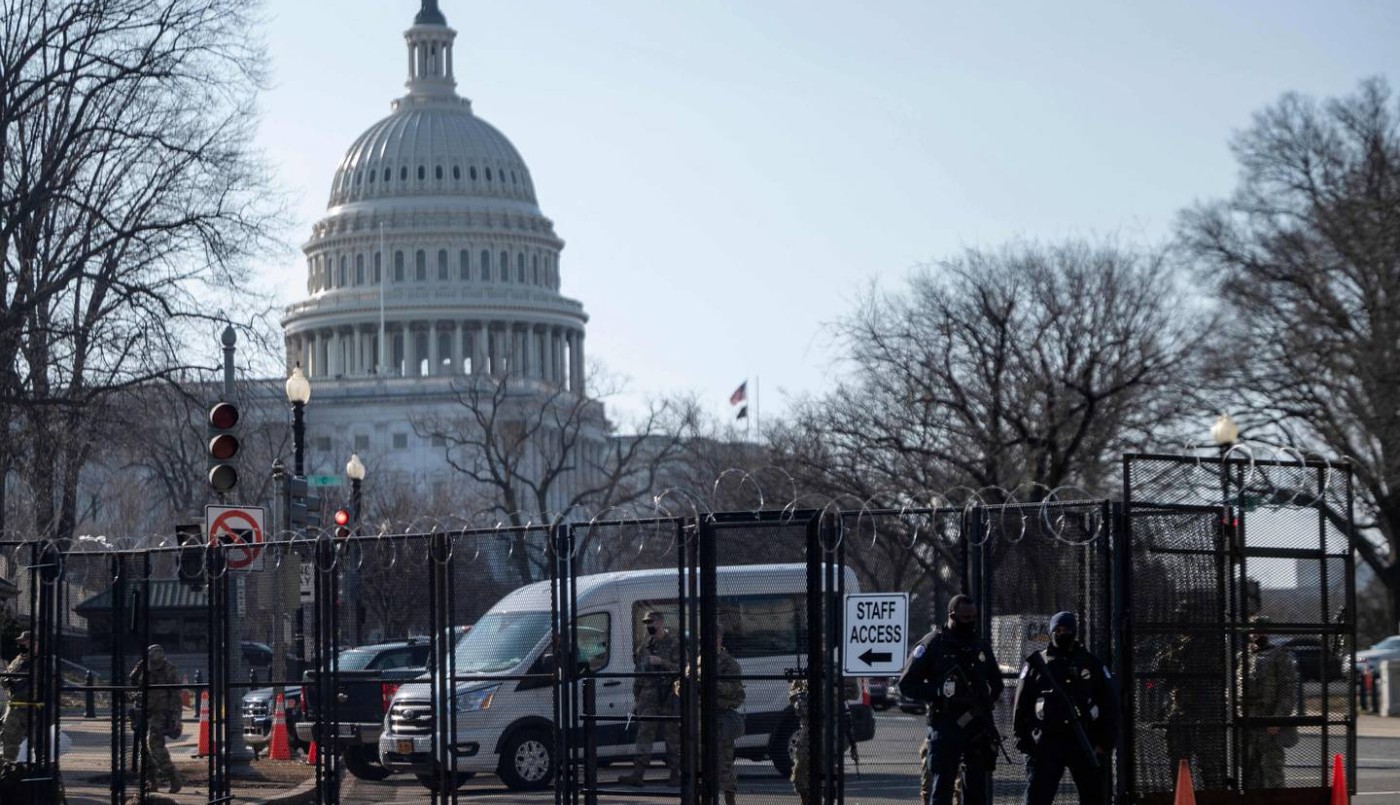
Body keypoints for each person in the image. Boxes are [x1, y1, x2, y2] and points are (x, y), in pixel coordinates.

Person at [898, 594, 1003, 805]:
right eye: (965, 618)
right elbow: (906, 684)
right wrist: (938, 691)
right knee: (942, 787)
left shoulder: (979, 645)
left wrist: (985, 702)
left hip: (976, 724)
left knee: (976, 789)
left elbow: (996, 682)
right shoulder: (933, 644)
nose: (970, 622)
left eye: (973, 617)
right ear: (952, 616)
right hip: (946, 722)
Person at [1013, 611, 1118, 805]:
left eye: (1067, 630)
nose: (1062, 634)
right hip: (1046, 742)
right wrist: (1024, 740)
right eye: (1058, 630)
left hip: (1084, 739)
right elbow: (1022, 704)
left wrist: (1105, 742)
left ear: (1074, 631)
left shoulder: (1091, 664)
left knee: (1094, 796)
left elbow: (1109, 704)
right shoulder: (1037, 664)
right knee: (1037, 797)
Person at [678, 619, 745, 805]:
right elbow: (680, 684)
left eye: (715, 636)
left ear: (720, 639)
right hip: (697, 722)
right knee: (697, 767)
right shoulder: (697, 661)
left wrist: (709, 685)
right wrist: (686, 686)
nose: (712, 640)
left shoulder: (729, 664)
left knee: (724, 767)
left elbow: (736, 691)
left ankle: (730, 801)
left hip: (719, 720)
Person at [1155, 627, 1226, 789]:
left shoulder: (1209, 644)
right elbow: (1162, 671)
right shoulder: (1177, 646)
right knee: (1179, 764)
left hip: (1205, 712)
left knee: (1210, 767)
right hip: (1181, 711)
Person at [620, 611, 682, 786]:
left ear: (661, 622)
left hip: (668, 695)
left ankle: (676, 773)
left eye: (652, 622)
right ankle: (638, 774)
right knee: (644, 734)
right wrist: (637, 696)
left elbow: (682, 668)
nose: (649, 626)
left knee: (672, 736)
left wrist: (662, 662)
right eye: (647, 623)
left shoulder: (674, 643)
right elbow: (639, 672)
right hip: (648, 696)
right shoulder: (645, 646)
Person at [1238, 617, 1297, 790]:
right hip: (1247, 724)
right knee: (1250, 775)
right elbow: (1234, 689)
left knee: (1272, 774)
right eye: (1253, 631)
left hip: (1268, 725)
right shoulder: (1243, 657)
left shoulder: (1278, 655)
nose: (1256, 635)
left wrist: (1278, 719)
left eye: (1260, 630)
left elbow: (1288, 690)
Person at [789, 664, 859, 805]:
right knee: (801, 765)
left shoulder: (838, 668)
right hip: (810, 724)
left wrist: (827, 691)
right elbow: (793, 693)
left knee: (827, 763)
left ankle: (829, 798)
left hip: (833, 721)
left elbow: (854, 692)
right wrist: (798, 699)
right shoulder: (805, 670)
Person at [129, 644, 182, 793]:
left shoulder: (169, 669)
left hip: (161, 712)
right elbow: (133, 682)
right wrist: (140, 666)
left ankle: (173, 776)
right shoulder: (144, 668)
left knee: (154, 744)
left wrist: (176, 717)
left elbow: (176, 695)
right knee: (144, 749)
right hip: (144, 710)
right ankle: (151, 781)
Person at [0, 632, 35, 762]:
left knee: (39, 741)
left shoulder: (43, 660)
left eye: (24, 642)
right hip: (15, 705)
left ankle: (38, 769)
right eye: (20, 643)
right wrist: (7, 680)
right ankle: (9, 767)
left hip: (35, 707)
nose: (21, 645)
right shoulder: (18, 660)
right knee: (9, 737)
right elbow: (6, 676)